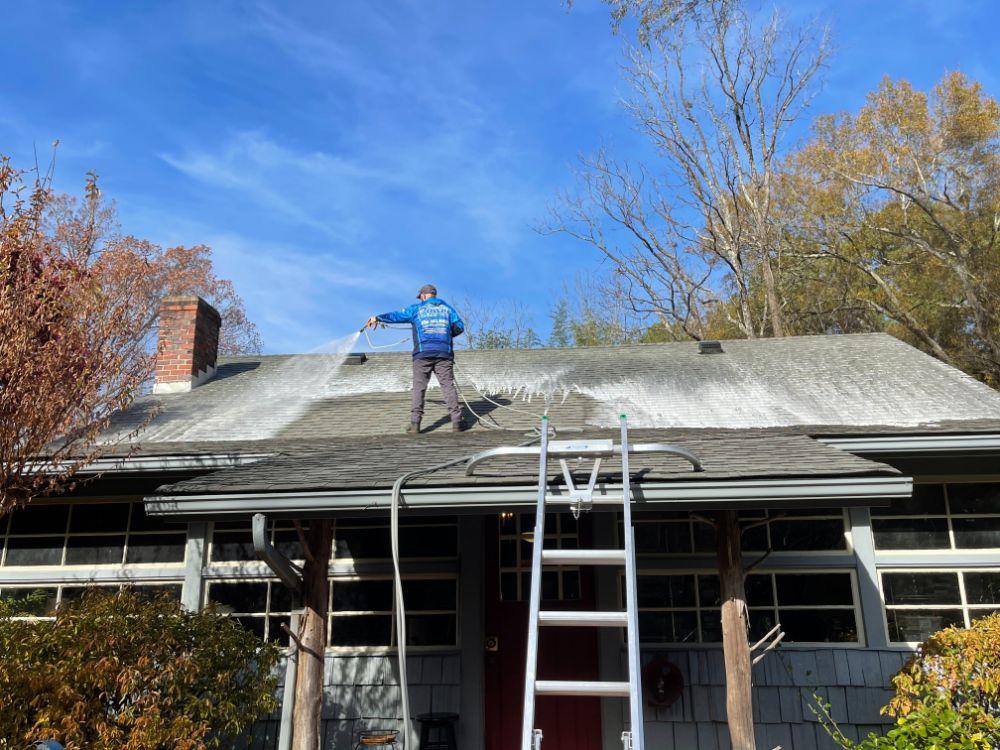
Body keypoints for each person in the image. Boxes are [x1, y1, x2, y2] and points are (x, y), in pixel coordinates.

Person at [367, 284, 468, 434]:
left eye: (421, 296)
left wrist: (378, 318)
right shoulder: (447, 309)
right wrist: (445, 334)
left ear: (424, 295)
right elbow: (459, 326)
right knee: (447, 386)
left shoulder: (416, 309)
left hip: (422, 354)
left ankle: (415, 424)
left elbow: (397, 316)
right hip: (443, 353)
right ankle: (457, 422)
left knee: (419, 388)